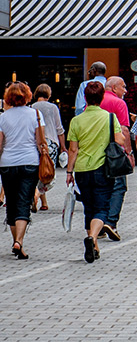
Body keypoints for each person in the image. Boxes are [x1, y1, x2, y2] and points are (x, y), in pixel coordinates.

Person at [67, 80, 125, 263]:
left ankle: (94, 247)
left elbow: (73, 149)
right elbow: (120, 140)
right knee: (102, 208)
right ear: (101, 97)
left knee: (88, 207)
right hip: (102, 168)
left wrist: (69, 171)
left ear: (85, 97)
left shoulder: (76, 120)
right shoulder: (109, 118)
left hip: (82, 169)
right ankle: (92, 238)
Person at [0, 82, 48, 260]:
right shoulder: (35, 114)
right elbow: (40, 141)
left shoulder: (3, 117)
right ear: (27, 95)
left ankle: (16, 241)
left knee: (11, 202)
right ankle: (19, 241)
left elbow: (0, 145)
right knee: (24, 200)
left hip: (7, 163)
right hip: (30, 161)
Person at [99, 76, 132, 242]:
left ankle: (97, 222)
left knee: (101, 186)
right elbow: (124, 130)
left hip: (95, 151)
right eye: (123, 87)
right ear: (114, 88)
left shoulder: (95, 100)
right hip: (115, 152)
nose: (125, 91)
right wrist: (129, 152)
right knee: (119, 186)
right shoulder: (119, 103)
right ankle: (111, 222)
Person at [32, 83, 66, 212]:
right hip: (50, 142)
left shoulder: (32, 107)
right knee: (48, 173)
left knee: (40, 171)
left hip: (36, 143)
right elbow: (59, 128)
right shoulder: (53, 108)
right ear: (48, 93)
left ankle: (43, 202)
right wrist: (63, 146)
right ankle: (37, 195)